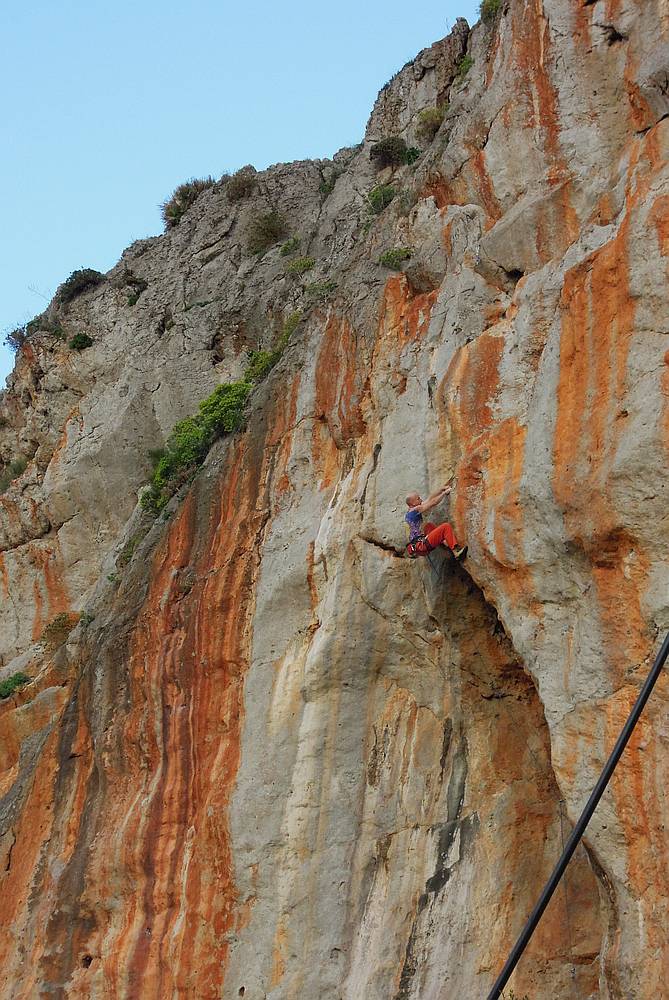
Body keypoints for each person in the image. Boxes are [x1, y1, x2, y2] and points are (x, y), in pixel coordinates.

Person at [404, 481, 467, 560]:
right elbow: (433, 502)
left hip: (417, 547)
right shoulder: (416, 509)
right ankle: (456, 552)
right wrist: (444, 493)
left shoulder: (410, 511)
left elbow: (430, 498)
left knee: (428, 526)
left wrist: (442, 488)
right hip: (422, 545)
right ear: (412, 503)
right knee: (445, 526)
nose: (421, 500)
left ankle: (445, 542)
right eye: (418, 499)